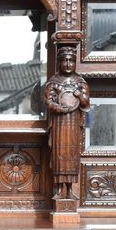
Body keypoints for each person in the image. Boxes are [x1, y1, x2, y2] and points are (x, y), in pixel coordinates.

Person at [45, 46, 90, 200]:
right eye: (65, 60)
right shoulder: (54, 81)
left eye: (71, 60)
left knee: (71, 154)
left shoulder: (80, 81)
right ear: (59, 62)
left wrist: (79, 95)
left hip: (73, 123)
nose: (68, 64)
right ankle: (58, 190)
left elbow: (86, 104)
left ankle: (70, 189)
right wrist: (58, 108)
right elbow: (48, 102)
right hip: (59, 123)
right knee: (59, 154)